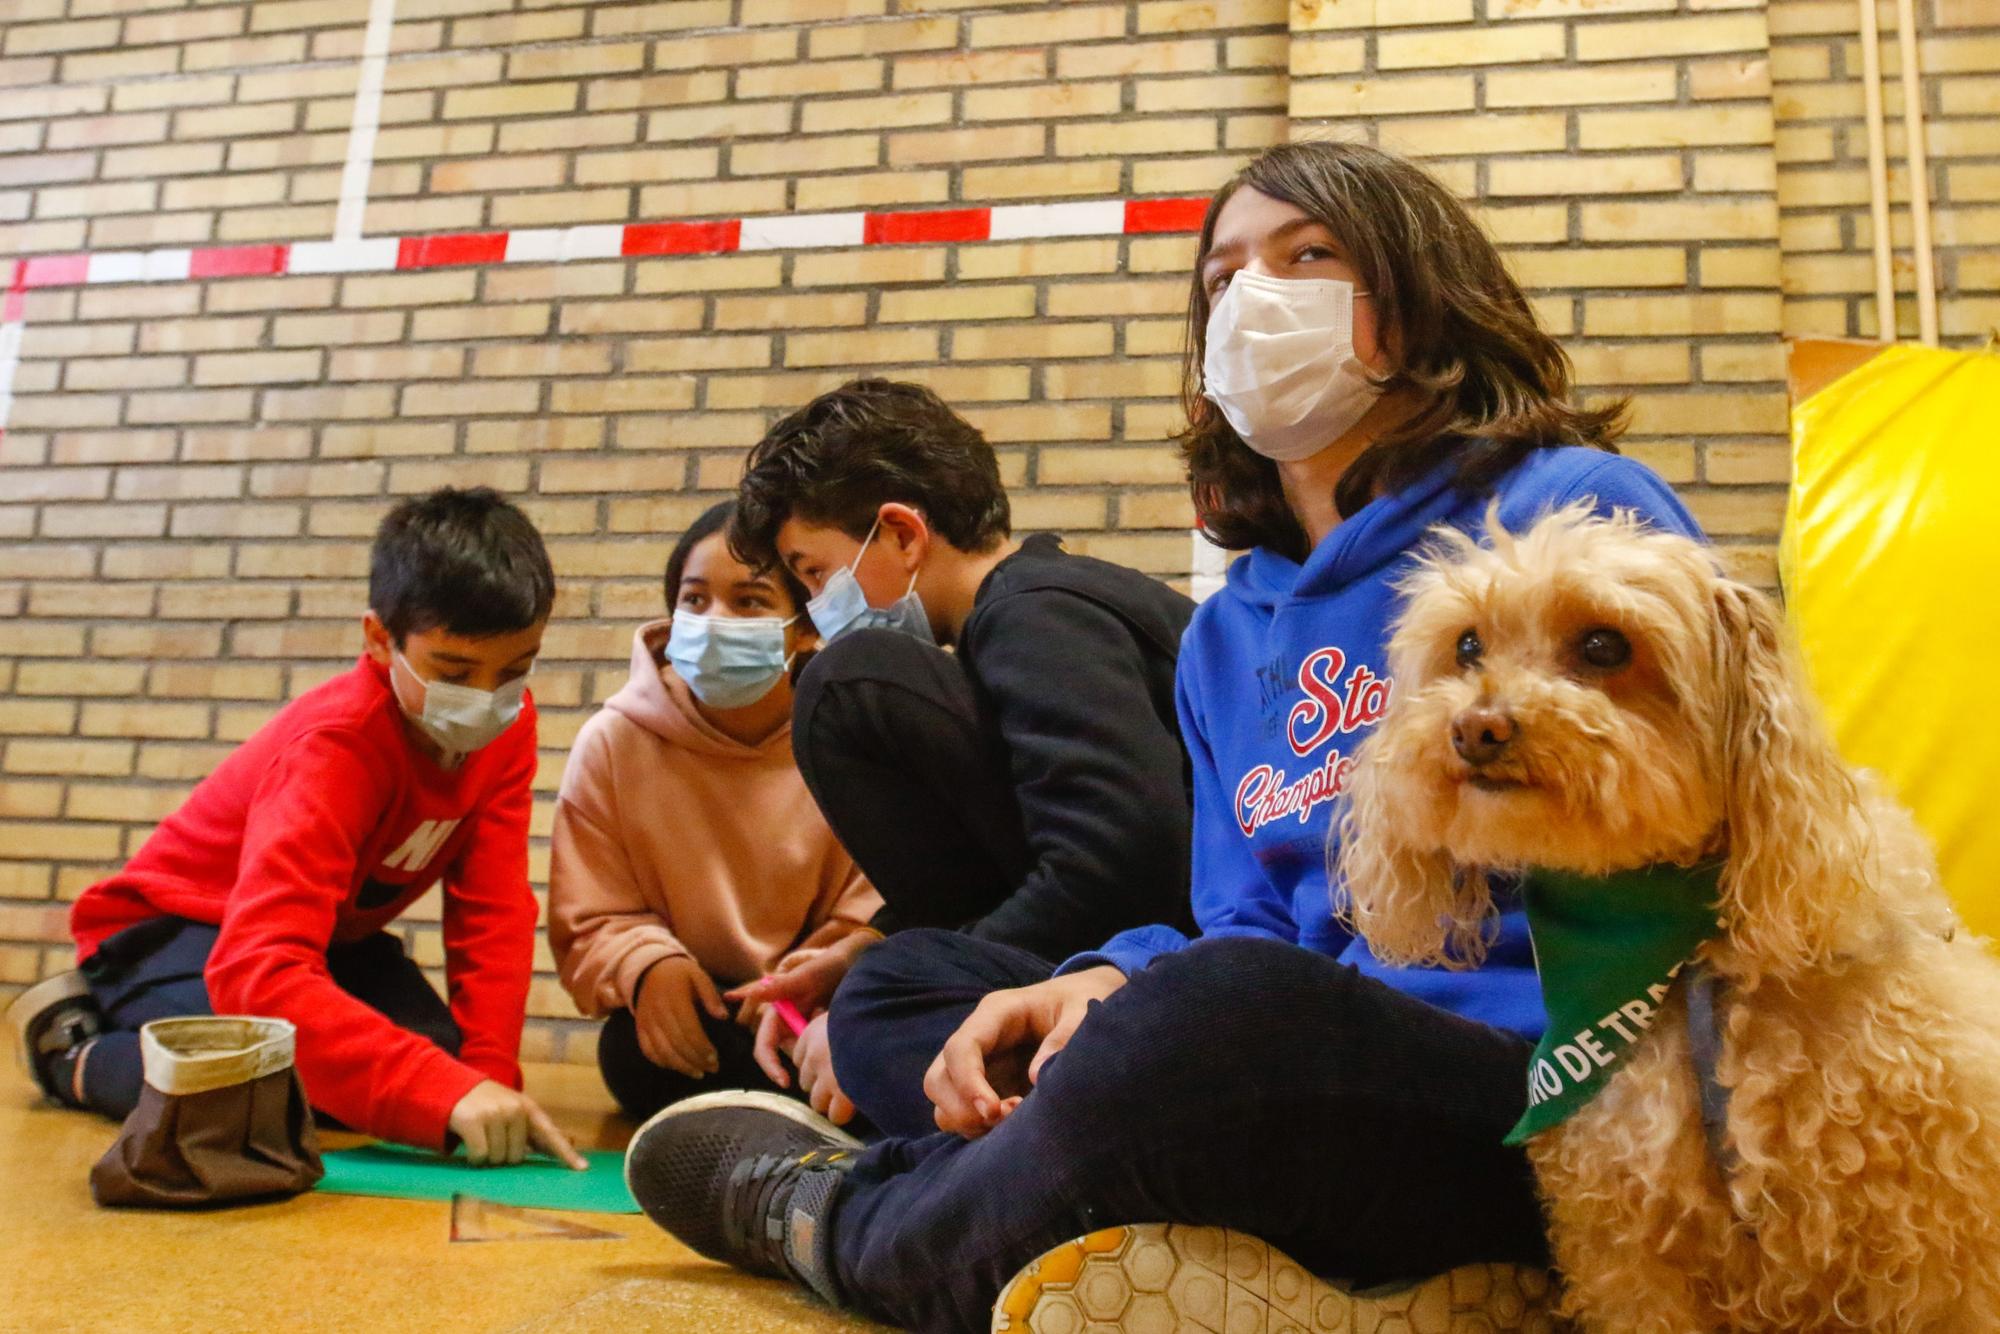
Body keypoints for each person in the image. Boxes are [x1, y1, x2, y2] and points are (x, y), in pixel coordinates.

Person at [624, 140, 1709, 1331]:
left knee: (1224, 1019)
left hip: (1544, 1090)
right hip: (1290, 1060)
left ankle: (838, 1219)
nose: (1251, 299)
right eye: (1220, 278)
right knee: (905, 994)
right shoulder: (1226, 631)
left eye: (1306, 257)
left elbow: (1704, 814)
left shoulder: (1567, 501)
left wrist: (1171, 1014)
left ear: (1411, 301)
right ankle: (1276, 1258)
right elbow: (1237, 910)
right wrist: (1103, 977)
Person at [7, 487, 584, 1169]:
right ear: (379, 640)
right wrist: (437, 1094)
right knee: (268, 1085)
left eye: (514, 671)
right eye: (454, 672)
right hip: (176, 931)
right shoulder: (334, 747)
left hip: (320, 939)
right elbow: (256, 968)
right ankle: (76, 1052)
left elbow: (492, 913)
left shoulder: (508, 729)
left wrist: (487, 1078)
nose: (486, 700)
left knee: (440, 1065)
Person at [724, 378, 1198, 1137]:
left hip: (1173, 961)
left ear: (904, 534)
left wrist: (912, 982)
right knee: (872, 984)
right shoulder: (1021, 619)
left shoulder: (1037, 614)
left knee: (844, 686)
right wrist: (869, 947)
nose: (818, 605)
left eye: (815, 571)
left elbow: (1114, 861)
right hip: (1139, 950)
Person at [547, 500, 880, 1124]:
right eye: (694, 601)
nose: (713, 620)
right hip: (699, 1008)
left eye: (749, 602)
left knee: (871, 1055)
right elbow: (590, 915)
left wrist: (807, 978)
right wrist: (647, 966)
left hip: (810, 1008)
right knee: (633, 1054)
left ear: (806, 628)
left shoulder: (850, 742)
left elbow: (879, 909)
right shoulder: (614, 743)